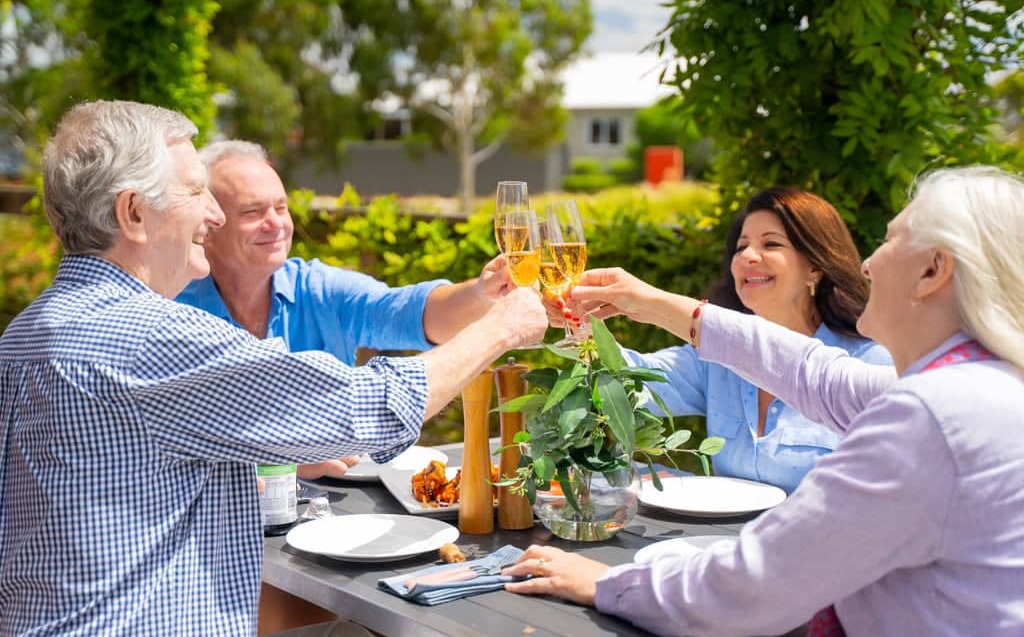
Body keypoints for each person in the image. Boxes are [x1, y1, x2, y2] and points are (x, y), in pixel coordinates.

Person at [0, 100, 548, 635]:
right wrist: (501, 329)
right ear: (134, 213)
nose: (211, 215)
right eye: (196, 192)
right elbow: (372, 406)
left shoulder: (25, 332)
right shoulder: (156, 336)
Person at [504, 165, 1024, 636]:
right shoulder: (983, 387)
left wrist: (612, 582)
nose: (867, 264)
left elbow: (758, 586)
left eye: (890, 242)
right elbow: (814, 374)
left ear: (933, 270)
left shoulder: (930, 416)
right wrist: (647, 304)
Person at [177, 139, 514, 478]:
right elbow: (176, 441)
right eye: (253, 212)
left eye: (281, 208)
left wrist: (482, 292)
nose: (276, 223)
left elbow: (410, 314)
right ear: (207, 225)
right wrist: (283, 462)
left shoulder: (319, 290)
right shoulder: (173, 310)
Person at [558, 188, 891, 492]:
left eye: (771, 244)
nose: (748, 256)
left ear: (815, 268)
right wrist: (580, 325)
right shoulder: (716, 360)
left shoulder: (866, 364)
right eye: (741, 246)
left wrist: (646, 301)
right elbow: (630, 384)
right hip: (723, 547)